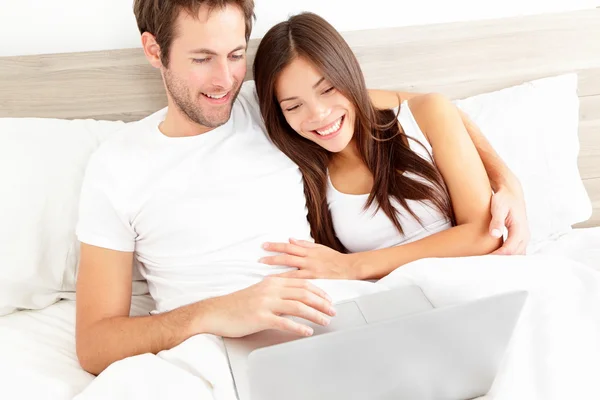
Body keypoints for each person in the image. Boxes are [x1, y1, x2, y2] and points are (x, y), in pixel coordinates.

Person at [74, 1, 543, 398]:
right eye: (202, 58)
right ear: (154, 50)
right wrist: (218, 312)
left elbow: (418, 104)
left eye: (236, 54)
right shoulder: (117, 166)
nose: (224, 80)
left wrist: (505, 179)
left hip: (332, 323)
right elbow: (94, 343)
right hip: (211, 348)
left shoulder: (273, 107)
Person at [253, 12, 507, 279]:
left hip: (470, 282)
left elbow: (485, 234)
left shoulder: (426, 113)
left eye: (327, 90)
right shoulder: (299, 172)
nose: (318, 114)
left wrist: (356, 265)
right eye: (293, 106)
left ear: (349, 74)